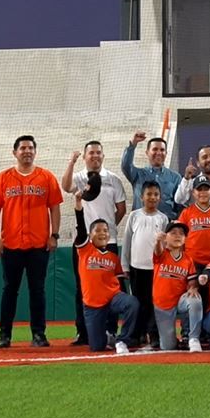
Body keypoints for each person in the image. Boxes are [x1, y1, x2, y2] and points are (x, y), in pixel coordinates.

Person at [0, 135, 63, 349]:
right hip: (11, 244)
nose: (27, 151)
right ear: (15, 152)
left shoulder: (46, 177)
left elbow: (55, 207)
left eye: (31, 148)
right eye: (23, 148)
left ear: (35, 152)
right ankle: (4, 335)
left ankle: (39, 334)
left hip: (38, 244)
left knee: (37, 290)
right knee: (10, 290)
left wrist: (54, 235)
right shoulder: (3, 178)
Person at [61, 141, 127, 346]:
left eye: (98, 153)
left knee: (112, 287)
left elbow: (121, 209)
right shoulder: (80, 178)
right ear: (85, 157)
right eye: (91, 153)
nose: (95, 156)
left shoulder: (113, 180)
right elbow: (65, 186)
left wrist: (105, 234)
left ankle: (110, 330)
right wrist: (71, 162)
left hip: (110, 242)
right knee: (82, 287)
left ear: (103, 156)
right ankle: (83, 331)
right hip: (84, 246)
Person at [72, 192, 139, 354]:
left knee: (132, 303)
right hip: (93, 305)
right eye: (98, 230)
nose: (102, 233)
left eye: (105, 230)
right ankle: (109, 338)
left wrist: (125, 297)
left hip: (112, 299)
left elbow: (119, 279)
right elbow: (81, 227)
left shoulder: (112, 256)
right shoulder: (85, 249)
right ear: (90, 235)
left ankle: (123, 340)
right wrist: (78, 202)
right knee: (96, 347)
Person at [120, 181, 170, 347]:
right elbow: (127, 242)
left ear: (160, 197)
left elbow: (165, 247)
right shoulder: (134, 216)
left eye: (156, 194)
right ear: (141, 197)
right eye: (149, 194)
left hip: (155, 270)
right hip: (136, 269)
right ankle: (138, 334)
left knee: (154, 302)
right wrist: (125, 266)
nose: (152, 197)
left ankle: (154, 335)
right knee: (138, 303)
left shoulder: (163, 219)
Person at [152, 221, 202, 352]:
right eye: (173, 233)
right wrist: (158, 241)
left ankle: (192, 338)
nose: (177, 236)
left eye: (181, 234)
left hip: (180, 301)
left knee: (195, 299)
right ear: (166, 237)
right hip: (163, 305)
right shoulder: (162, 254)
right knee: (168, 346)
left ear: (185, 239)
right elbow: (157, 251)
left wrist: (192, 287)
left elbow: (192, 281)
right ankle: (174, 337)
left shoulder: (187, 259)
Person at [121, 131, 181, 219]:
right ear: (147, 152)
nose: (159, 153)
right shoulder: (137, 174)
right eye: (155, 149)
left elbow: (179, 204)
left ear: (166, 153)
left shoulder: (176, 177)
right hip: (141, 224)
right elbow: (125, 165)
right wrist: (132, 145)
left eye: (162, 150)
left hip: (166, 226)